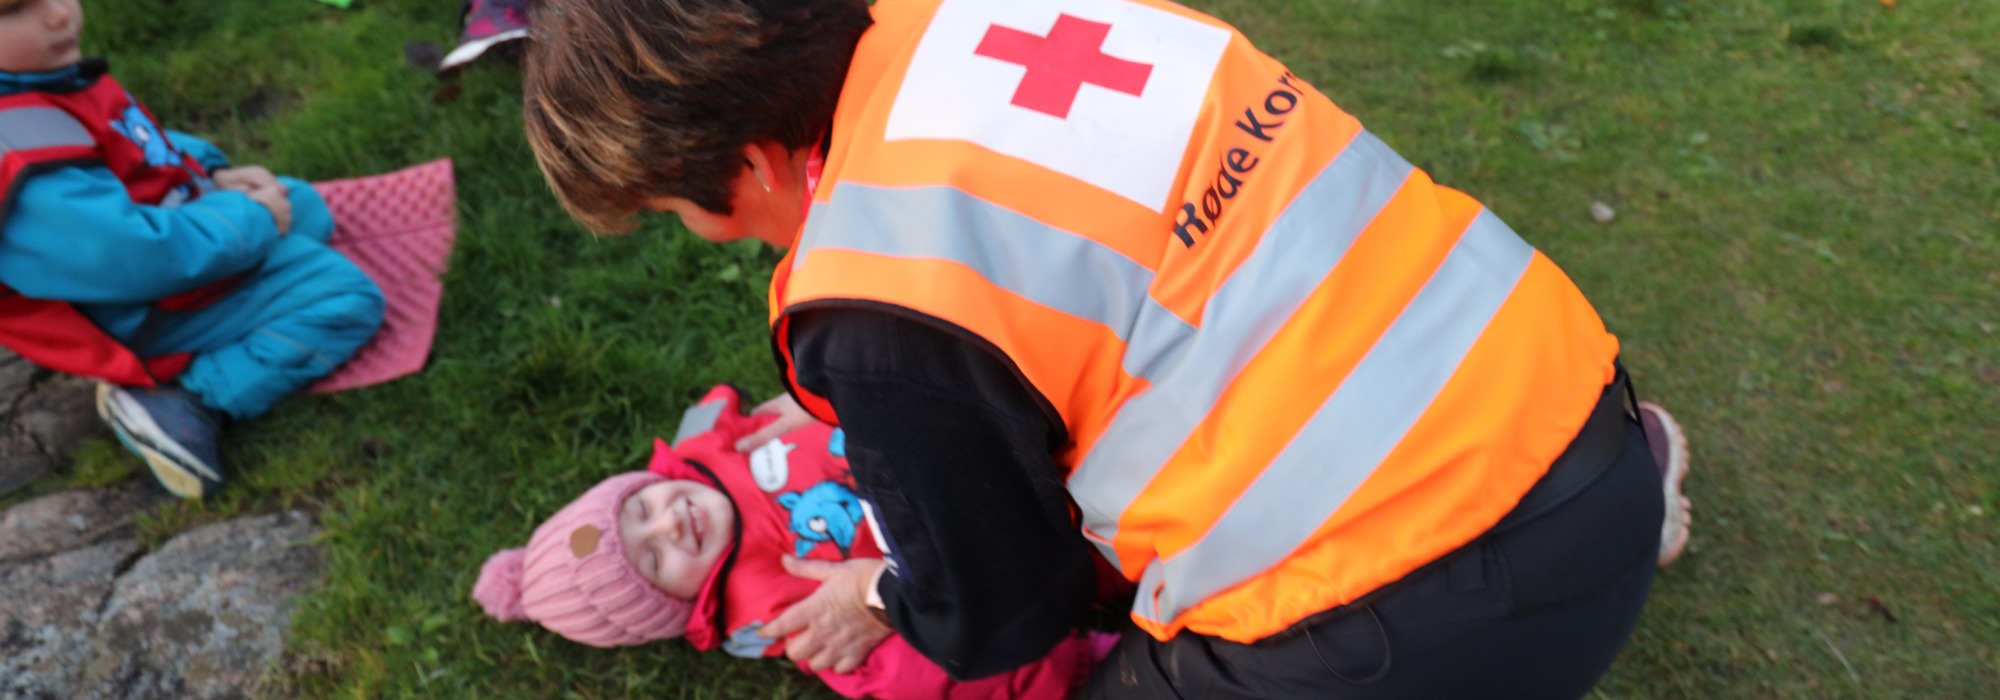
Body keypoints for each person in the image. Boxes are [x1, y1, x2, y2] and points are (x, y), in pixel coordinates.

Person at [519, 0, 1696, 696]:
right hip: (1559, 394)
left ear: (752, 164)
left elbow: (1002, 612)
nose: (721, 237)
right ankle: (1631, 498)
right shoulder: (999, 15)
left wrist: (880, 581)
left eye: (687, 213)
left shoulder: (876, 296)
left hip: (1439, 610)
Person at [471, 384, 1116, 699]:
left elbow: (815, 386)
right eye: (655, 560)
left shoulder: (718, 442)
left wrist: (823, 393)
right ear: (677, 607)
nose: (668, 524)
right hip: (1014, 556)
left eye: (642, 507)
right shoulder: (772, 610)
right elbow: (904, 674)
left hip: (981, 439)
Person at [0, 0, 385, 499]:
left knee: (303, 207)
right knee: (347, 300)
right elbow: (139, 258)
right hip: (135, 312)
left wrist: (209, 170)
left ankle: (252, 269)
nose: (58, 15)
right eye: (14, 11)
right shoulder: (20, 161)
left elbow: (128, 139)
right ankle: (184, 397)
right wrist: (251, 220)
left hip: (163, 237)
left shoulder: (36, 81)